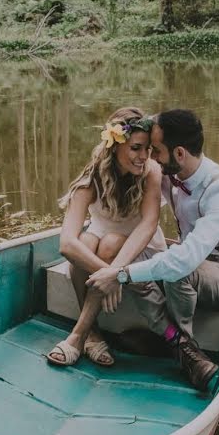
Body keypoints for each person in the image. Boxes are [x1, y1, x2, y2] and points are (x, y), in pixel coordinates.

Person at [86, 109, 219, 390]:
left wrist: (120, 275)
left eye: (156, 151)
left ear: (180, 153)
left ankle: (179, 346)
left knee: (175, 268)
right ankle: (179, 344)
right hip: (188, 264)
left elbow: (184, 261)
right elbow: (129, 157)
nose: (150, 158)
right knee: (133, 254)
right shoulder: (170, 176)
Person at [47, 107, 167, 367]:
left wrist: (117, 273)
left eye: (147, 149)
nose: (143, 156)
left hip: (142, 248)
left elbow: (147, 226)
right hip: (106, 258)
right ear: (115, 146)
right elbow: (67, 244)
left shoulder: (151, 172)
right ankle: (93, 333)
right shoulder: (91, 180)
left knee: (109, 243)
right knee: (86, 243)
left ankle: (78, 336)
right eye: (136, 148)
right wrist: (111, 275)